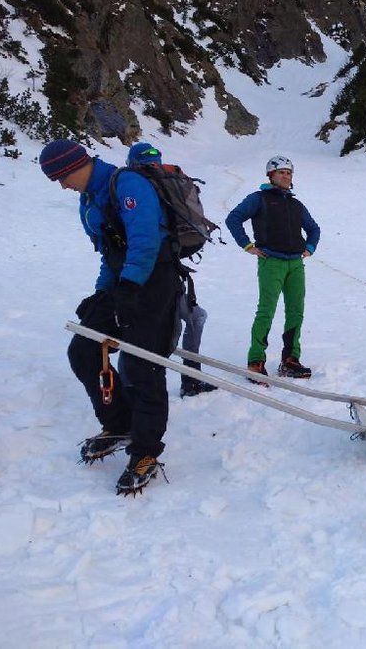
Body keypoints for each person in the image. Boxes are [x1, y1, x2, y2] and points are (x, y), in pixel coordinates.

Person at [39, 139, 184, 495]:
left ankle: (145, 451)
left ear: (78, 164)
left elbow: (145, 240)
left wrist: (130, 288)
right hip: (125, 283)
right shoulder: (88, 200)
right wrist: (103, 293)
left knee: (142, 365)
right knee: (83, 351)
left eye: (61, 176)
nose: (62, 185)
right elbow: (110, 253)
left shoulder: (128, 184)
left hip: (154, 281)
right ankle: (119, 423)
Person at [125, 142, 217, 398]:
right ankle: (152, 388)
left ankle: (187, 381)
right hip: (156, 275)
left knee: (188, 319)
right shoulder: (161, 187)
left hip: (161, 272)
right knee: (172, 326)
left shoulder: (137, 190)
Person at [225, 155, 320, 379]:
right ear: (271, 175)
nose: (286, 177)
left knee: (296, 311)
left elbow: (314, 228)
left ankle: (290, 359)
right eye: (281, 173)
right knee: (266, 311)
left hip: (295, 264)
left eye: (289, 173)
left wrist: (310, 247)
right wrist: (247, 245)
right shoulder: (259, 199)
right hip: (271, 262)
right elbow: (234, 218)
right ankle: (256, 361)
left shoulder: (296, 204)